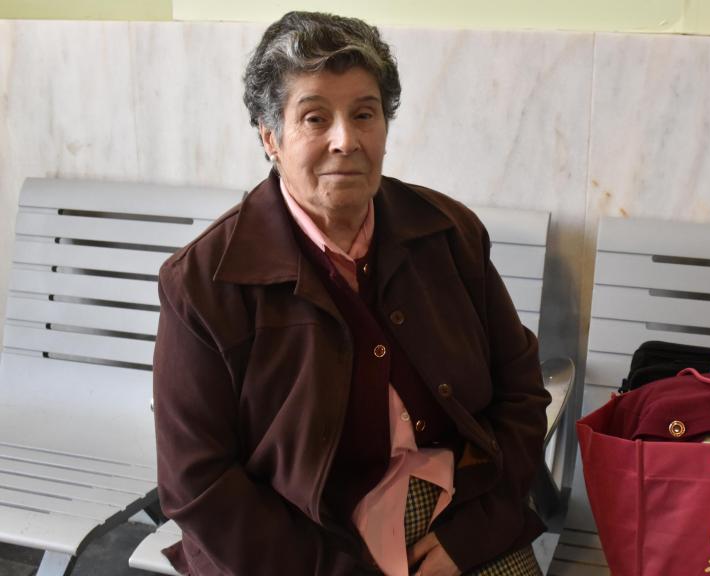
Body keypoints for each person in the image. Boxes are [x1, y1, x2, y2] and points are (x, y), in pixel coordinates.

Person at [152, 11, 550, 576]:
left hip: (456, 507)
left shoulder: (449, 234)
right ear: (270, 137)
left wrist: (474, 535)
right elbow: (198, 481)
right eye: (315, 117)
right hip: (295, 540)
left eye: (364, 114)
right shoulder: (204, 283)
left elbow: (521, 394)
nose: (346, 140)